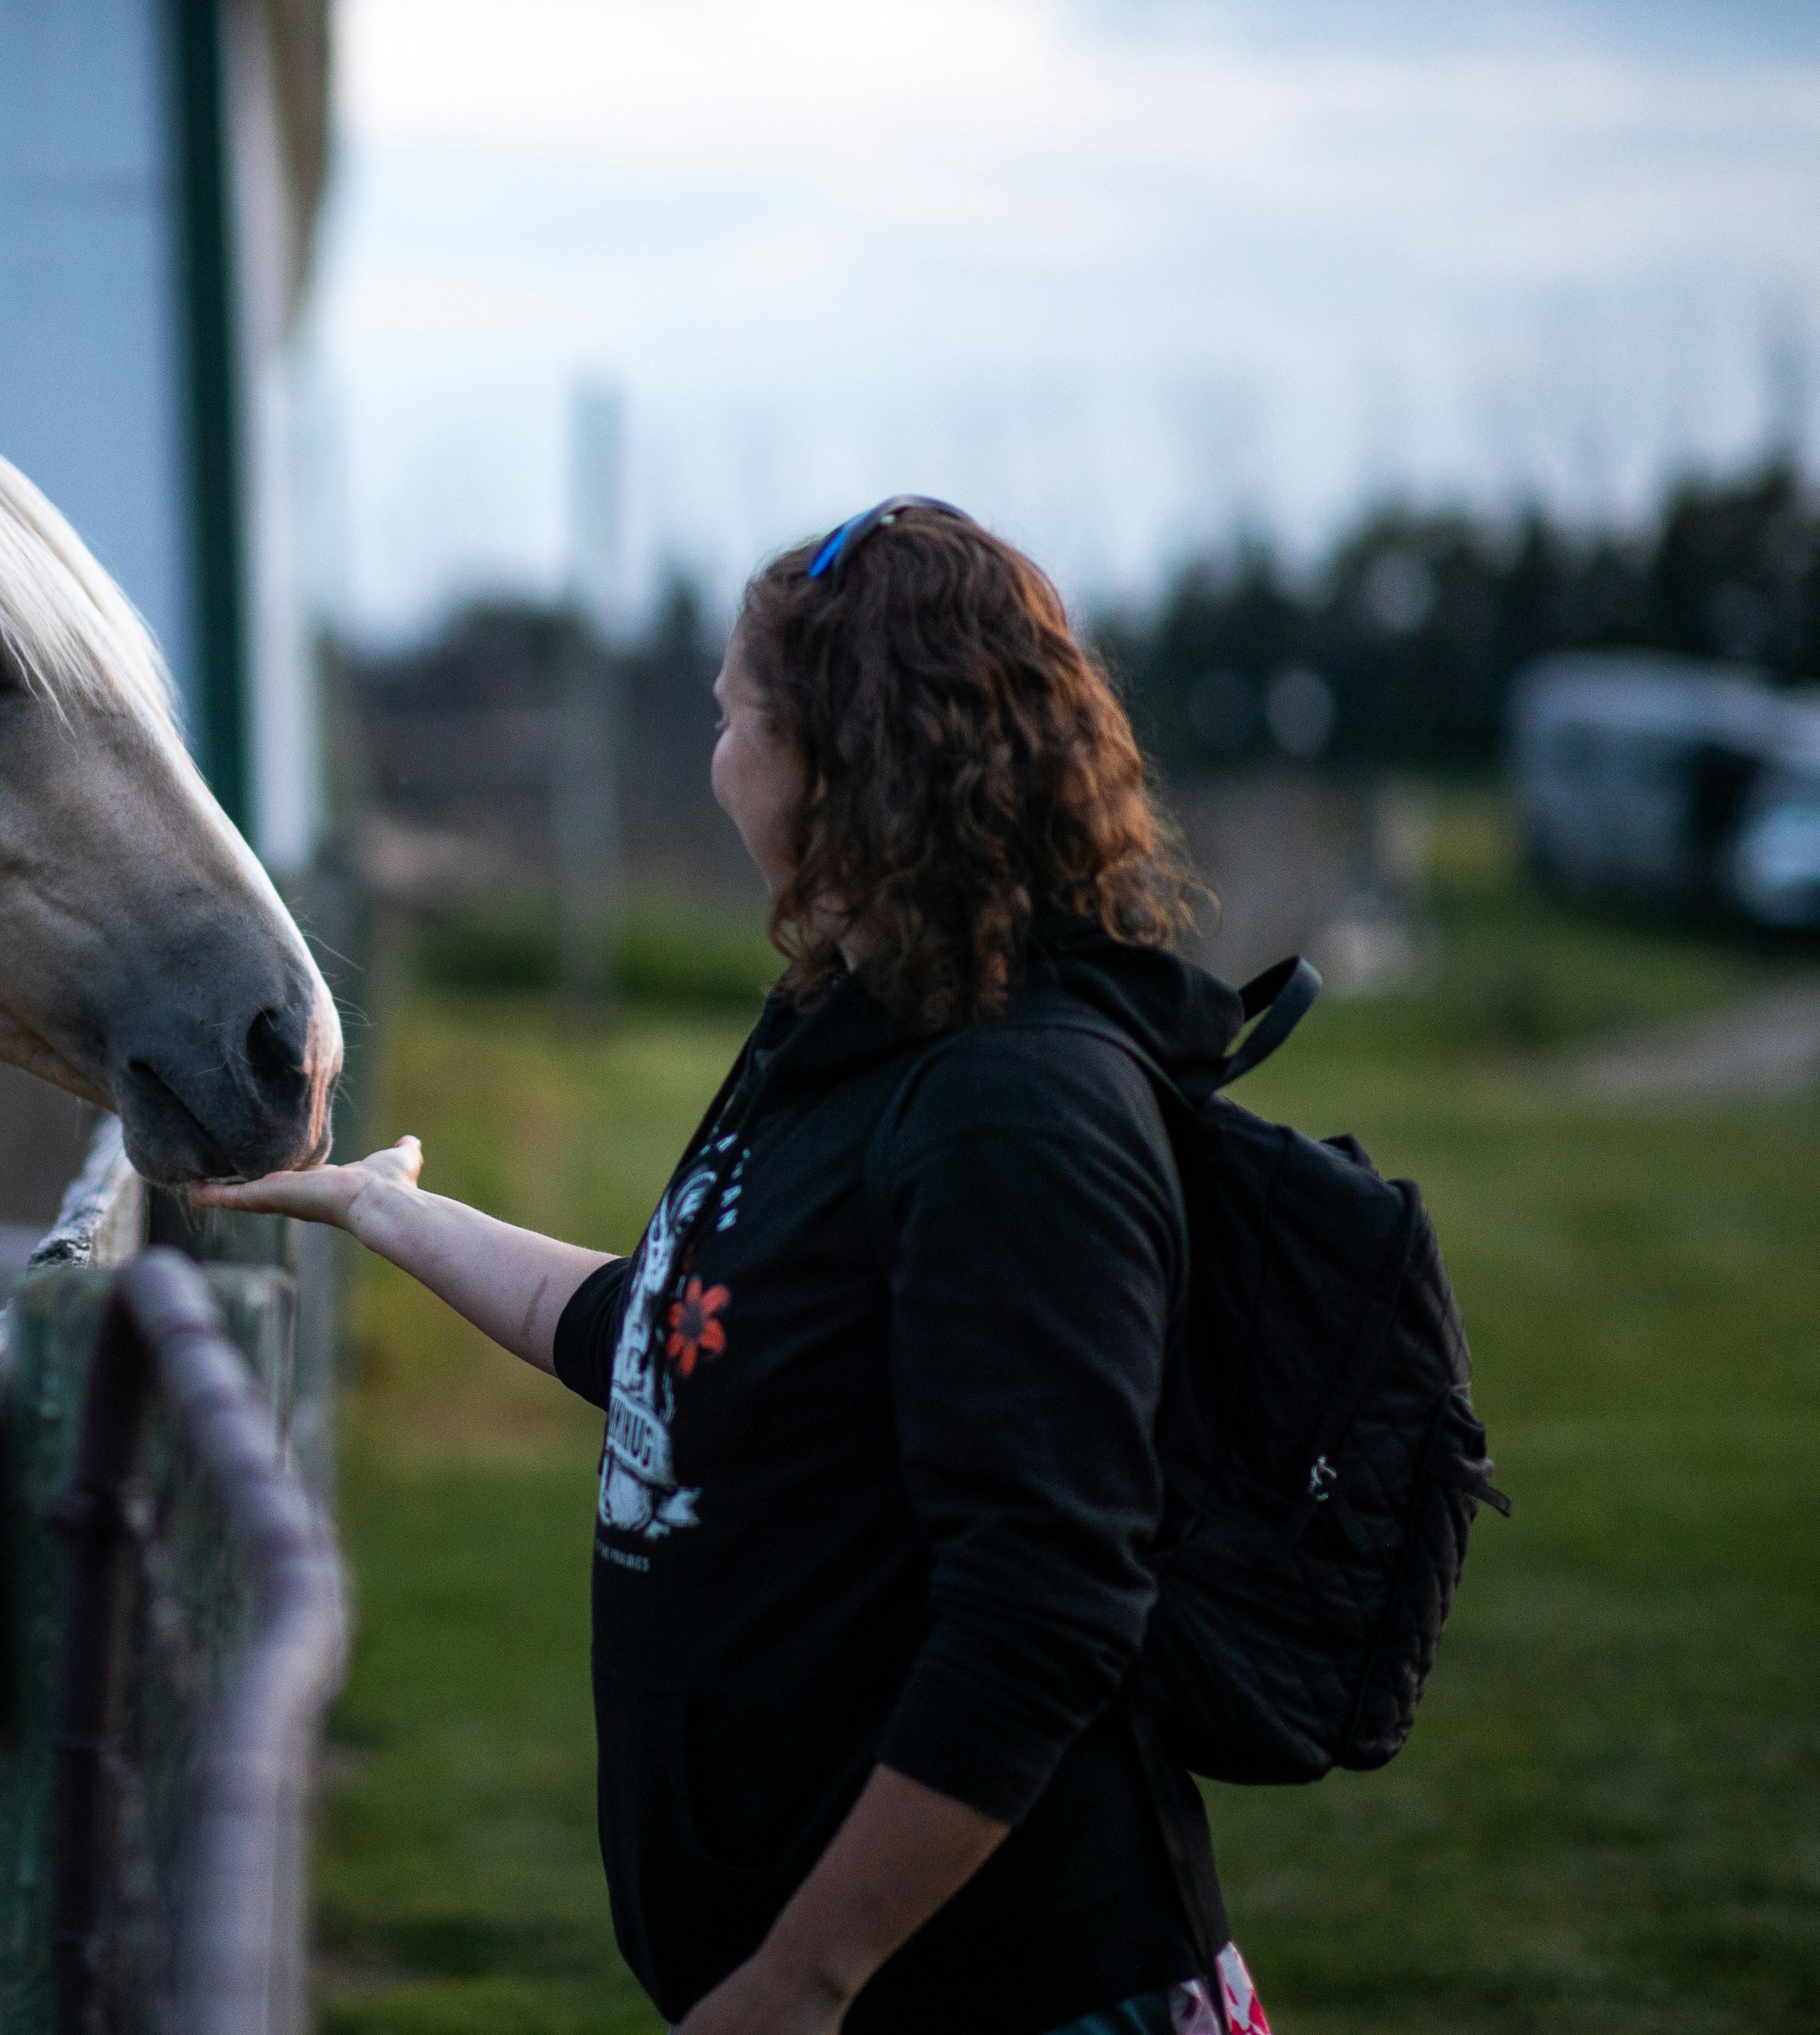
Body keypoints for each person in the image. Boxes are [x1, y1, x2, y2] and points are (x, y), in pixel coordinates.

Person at [197, 500, 1274, 2035]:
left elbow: (1044, 1615)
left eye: (730, 718)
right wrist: (388, 1211)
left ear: (839, 754)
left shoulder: (1014, 1104)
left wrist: (801, 1976)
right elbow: (668, 1344)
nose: (713, 758)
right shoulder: (845, 1038)